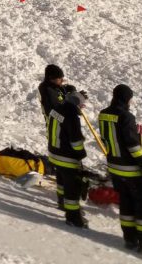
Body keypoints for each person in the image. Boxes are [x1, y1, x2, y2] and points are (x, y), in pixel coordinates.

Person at [98, 84, 142, 255]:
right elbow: (133, 145)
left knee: (125, 203)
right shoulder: (127, 117)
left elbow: (104, 140)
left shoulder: (103, 114)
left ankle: (130, 239)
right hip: (131, 170)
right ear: (126, 99)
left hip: (115, 168)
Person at [47, 90, 90, 228]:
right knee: (72, 188)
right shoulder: (71, 115)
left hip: (54, 153)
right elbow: (76, 140)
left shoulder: (56, 109)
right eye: (82, 105)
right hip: (66, 157)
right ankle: (73, 217)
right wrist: (81, 153)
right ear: (76, 103)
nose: (82, 108)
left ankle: (61, 202)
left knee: (61, 180)